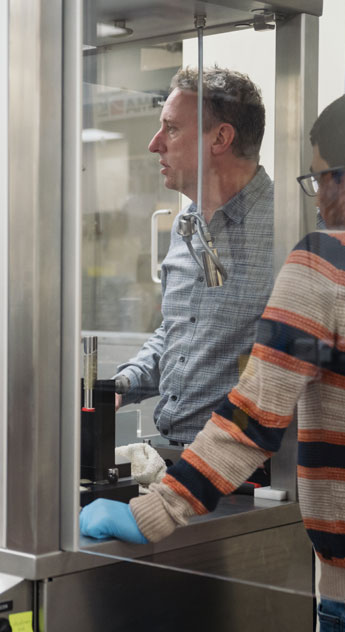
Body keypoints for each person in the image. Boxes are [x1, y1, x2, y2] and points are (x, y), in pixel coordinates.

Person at [80, 88, 345, 632]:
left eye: (319, 182)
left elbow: (254, 417)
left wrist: (149, 514)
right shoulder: (186, 224)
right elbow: (179, 329)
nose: (315, 201)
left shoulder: (319, 258)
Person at [114, 67, 274, 448]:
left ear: (221, 137)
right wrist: (121, 384)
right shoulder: (187, 222)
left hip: (250, 472)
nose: (155, 144)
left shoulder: (293, 228)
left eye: (170, 129)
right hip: (174, 457)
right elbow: (178, 332)